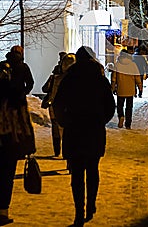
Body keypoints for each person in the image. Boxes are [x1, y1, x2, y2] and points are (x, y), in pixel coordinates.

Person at [53, 46, 115, 227]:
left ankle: (79, 212)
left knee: (77, 175)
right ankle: (91, 205)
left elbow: (58, 104)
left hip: (74, 132)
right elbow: (110, 106)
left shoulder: (69, 79)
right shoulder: (100, 80)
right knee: (93, 170)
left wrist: (65, 122)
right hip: (94, 131)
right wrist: (100, 120)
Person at [0, 47, 36, 226]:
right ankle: (2, 211)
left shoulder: (2, 67)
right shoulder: (23, 68)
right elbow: (30, 84)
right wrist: (29, 147)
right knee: (7, 175)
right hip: (10, 141)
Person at [41, 53, 76, 157]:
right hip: (69, 106)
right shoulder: (75, 78)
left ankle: (57, 150)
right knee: (68, 129)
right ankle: (68, 154)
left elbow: (45, 89)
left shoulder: (56, 76)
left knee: (56, 127)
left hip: (55, 104)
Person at [111, 49, 142, 129]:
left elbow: (114, 78)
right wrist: (140, 88)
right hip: (130, 90)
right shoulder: (133, 65)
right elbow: (137, 77)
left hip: (120, 89)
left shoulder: (117, 64)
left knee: (120, 106)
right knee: (129, 107)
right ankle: (128, 124)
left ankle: (121, 116)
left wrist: (113, 88)